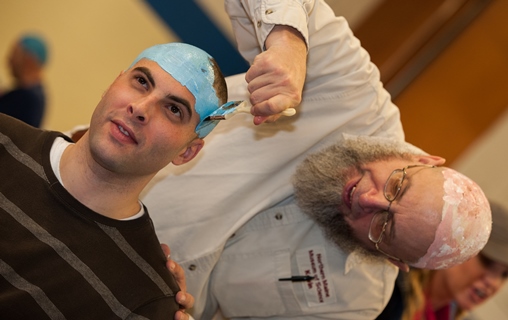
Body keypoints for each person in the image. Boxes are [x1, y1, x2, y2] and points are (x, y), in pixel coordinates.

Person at [139, 0, 492, 319]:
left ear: (395, 261)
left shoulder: (355, 301)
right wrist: (289, 44)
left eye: (384, 226)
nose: (368, 198)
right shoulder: (355, 96)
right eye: (397, 185)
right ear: (427, 160)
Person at [0, 42, 229, 319]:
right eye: (142, 82)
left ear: (187, 152)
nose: (141, 108)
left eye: (173, 110)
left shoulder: (147, 300)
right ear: (112, 85)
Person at [376, 200, 508, 320]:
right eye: (487, 262)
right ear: (451, 242)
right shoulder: (386, 289)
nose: (493, 282)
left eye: (504, 274)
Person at [0, 33, 48, 127]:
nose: (9, 60)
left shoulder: (27, 98)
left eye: (14, 55)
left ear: (29, 60)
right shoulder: (35, 95)